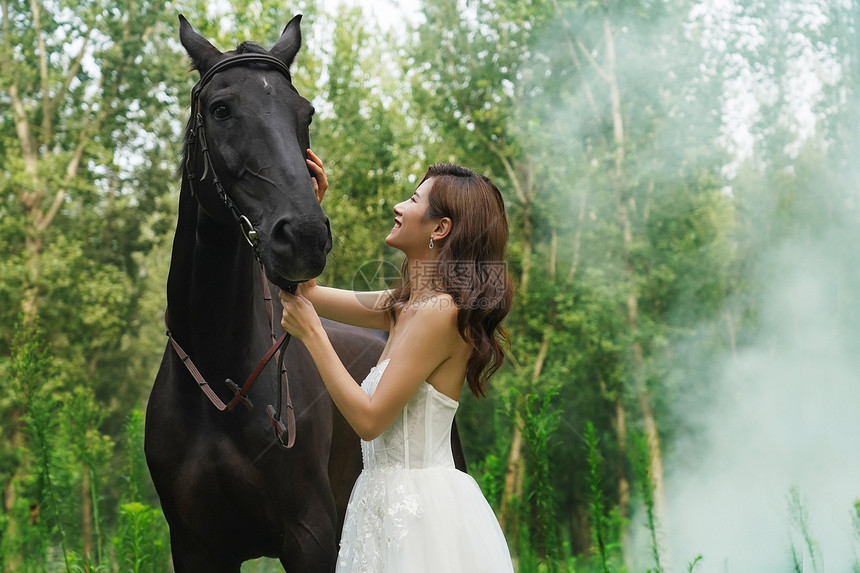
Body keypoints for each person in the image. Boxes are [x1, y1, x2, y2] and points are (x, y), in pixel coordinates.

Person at [280, 149, 515, 572]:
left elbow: (370, 420)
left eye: (412, 199)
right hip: (378, 506)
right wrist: (309, 203)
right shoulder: (404, 306)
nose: (398, 206)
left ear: (440, 228)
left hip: (421, 520)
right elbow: (310, 294)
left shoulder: (440, 313)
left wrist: (313, 334)